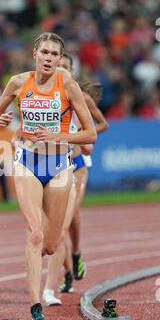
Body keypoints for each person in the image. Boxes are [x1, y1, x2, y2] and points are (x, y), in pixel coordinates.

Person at [0, 33, 96, 320]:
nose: (49, 58)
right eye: (45, 52)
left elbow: (91, 134)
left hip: (60, 165)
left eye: (55, 54)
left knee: (50, 244)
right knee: (34, 234)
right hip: (27, 163)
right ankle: (36, 306)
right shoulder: (19, 82)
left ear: (60, 59)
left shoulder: (69, 86)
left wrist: (60, 136)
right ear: (35, 53)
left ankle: (64, 261)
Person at [42, 53, 108, 304]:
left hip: (77, 163)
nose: (60, 69)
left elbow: (101, 125)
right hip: (53, 163)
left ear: (72, 71)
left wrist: (81, 134)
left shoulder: (82, 97)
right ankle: (67, 271)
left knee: (72, 215)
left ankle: (76, 254)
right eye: (57, 66)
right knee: (56, 224)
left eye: (65, 66)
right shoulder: (45, 96)